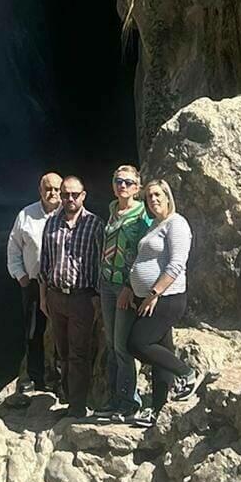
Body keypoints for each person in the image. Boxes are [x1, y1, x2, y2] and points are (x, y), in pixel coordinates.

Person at [120, 179, 199, 423]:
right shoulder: (155, 224)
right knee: (160, 352)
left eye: (157, 195)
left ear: (167, 196)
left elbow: (176, 264)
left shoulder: (177, 223)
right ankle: (157, 410)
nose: (153, 199)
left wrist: (154, 293)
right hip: (148, 296)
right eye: (149, 197)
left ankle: (187, 373)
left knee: (136, 343)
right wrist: (131, 287)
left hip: (168, 297)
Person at [38, 174, 103, 419]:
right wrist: (44, 297)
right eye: (65, 194)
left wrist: (96, 297)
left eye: (74, 194)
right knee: (62, 351)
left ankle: (77, 406)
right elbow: (44, 263)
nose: (69, 198)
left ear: (83, 196)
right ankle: (68, 399)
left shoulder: (95, 224)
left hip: (82, 297)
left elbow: (101, 263)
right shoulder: (51, 223)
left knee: (79, 353)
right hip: (56, 296)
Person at [98, 164, 151, 420]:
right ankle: (113, 399)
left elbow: (143, 254)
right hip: (106, 282)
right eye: (119, 181)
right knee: (110, 344)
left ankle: (129, 401)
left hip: (124, 287)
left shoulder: (143, 216)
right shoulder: (112, 210)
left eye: (129, 182)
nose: (123, 186)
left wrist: (129, 288)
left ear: (137, 188)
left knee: (122, 345)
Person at [6, 171, 63, 391]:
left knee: (61, 331)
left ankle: (59, 380)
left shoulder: (69, 214)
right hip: (32, 284)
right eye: (48, 188)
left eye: (57, 189)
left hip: (61, 285)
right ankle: (35, 378)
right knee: (33, 332)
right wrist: (19, 274)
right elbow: (14, 248)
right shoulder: (26, 215)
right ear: (40, 190)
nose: (53, 193)